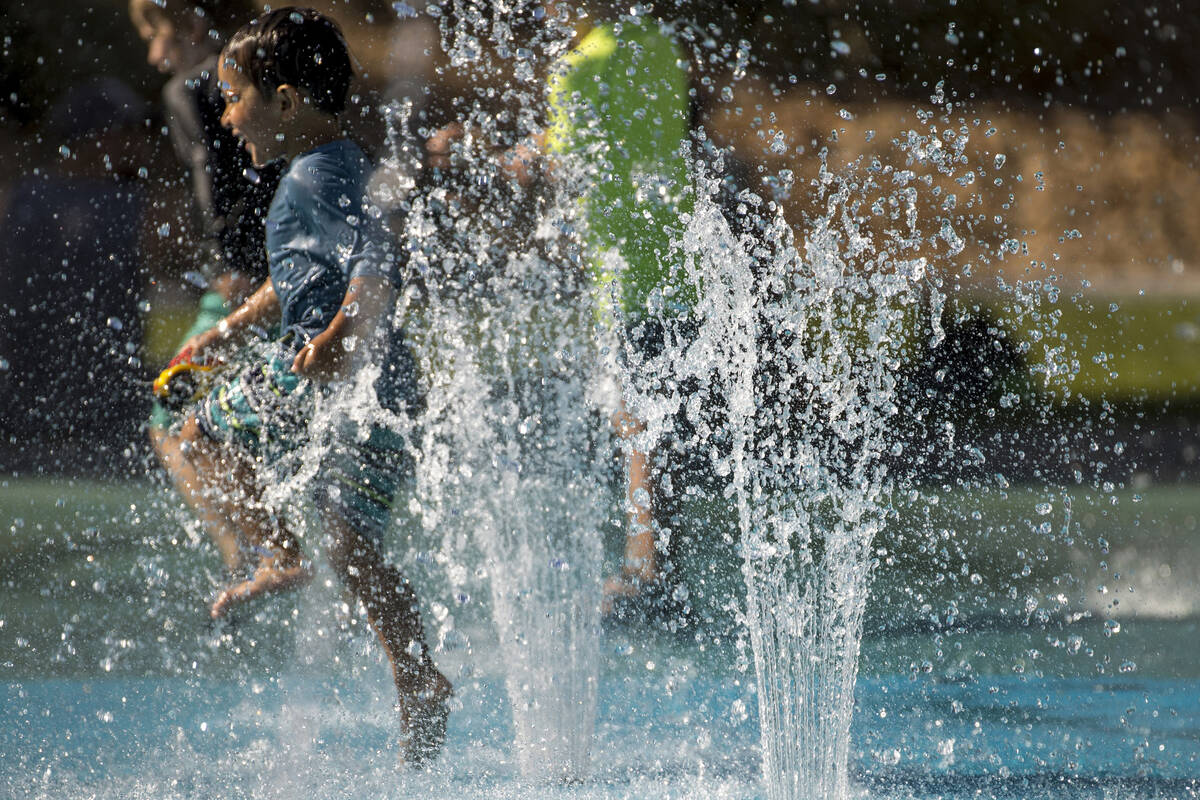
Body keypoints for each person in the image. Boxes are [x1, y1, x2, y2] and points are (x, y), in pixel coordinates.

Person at [159, 7, 451, 765]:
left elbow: (373, 265)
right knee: (356, 543)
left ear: (286, 101)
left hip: (328, 373)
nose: (225, 117)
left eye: (236, 98)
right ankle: (416, 675)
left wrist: (335, 338)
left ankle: (280, 552)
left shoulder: (317, 175)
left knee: (195, 433)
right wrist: (227, 329)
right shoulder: (328, 168)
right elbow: (295, 278)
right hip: (384, 387)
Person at [429, 0, 694, 615]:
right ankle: (664, 570)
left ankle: (644, 577)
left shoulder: (581, 64)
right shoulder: (657, 41)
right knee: (658, 420)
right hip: (678, 252)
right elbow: (613, 136)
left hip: (626, 267)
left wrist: (477, 155)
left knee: (636, 425)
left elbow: (558, 161)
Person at [130, 0, 284, 573]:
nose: (154, 54)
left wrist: (232, 262)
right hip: (290, 269)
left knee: (169, 415)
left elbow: (213, 182)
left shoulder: (190, 89)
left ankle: (246, 555)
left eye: (158, 35)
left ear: (194, 26)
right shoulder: (272, 73)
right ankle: (263, 547)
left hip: (248, 280)